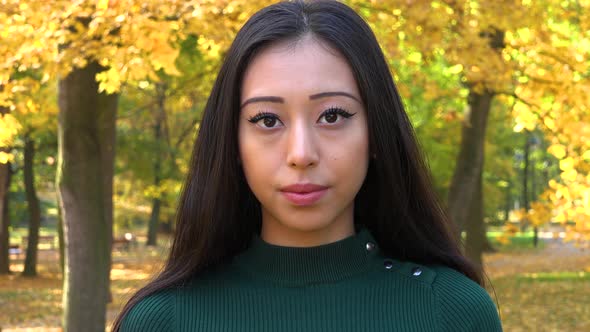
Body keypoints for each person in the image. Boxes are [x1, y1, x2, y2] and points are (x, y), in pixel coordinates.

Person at [113, 0, 503, 331]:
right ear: (232, 142)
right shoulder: (163, 322)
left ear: (377, 134)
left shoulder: (452, 312)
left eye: (332, 115)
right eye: (267, 120)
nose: (301, 153)